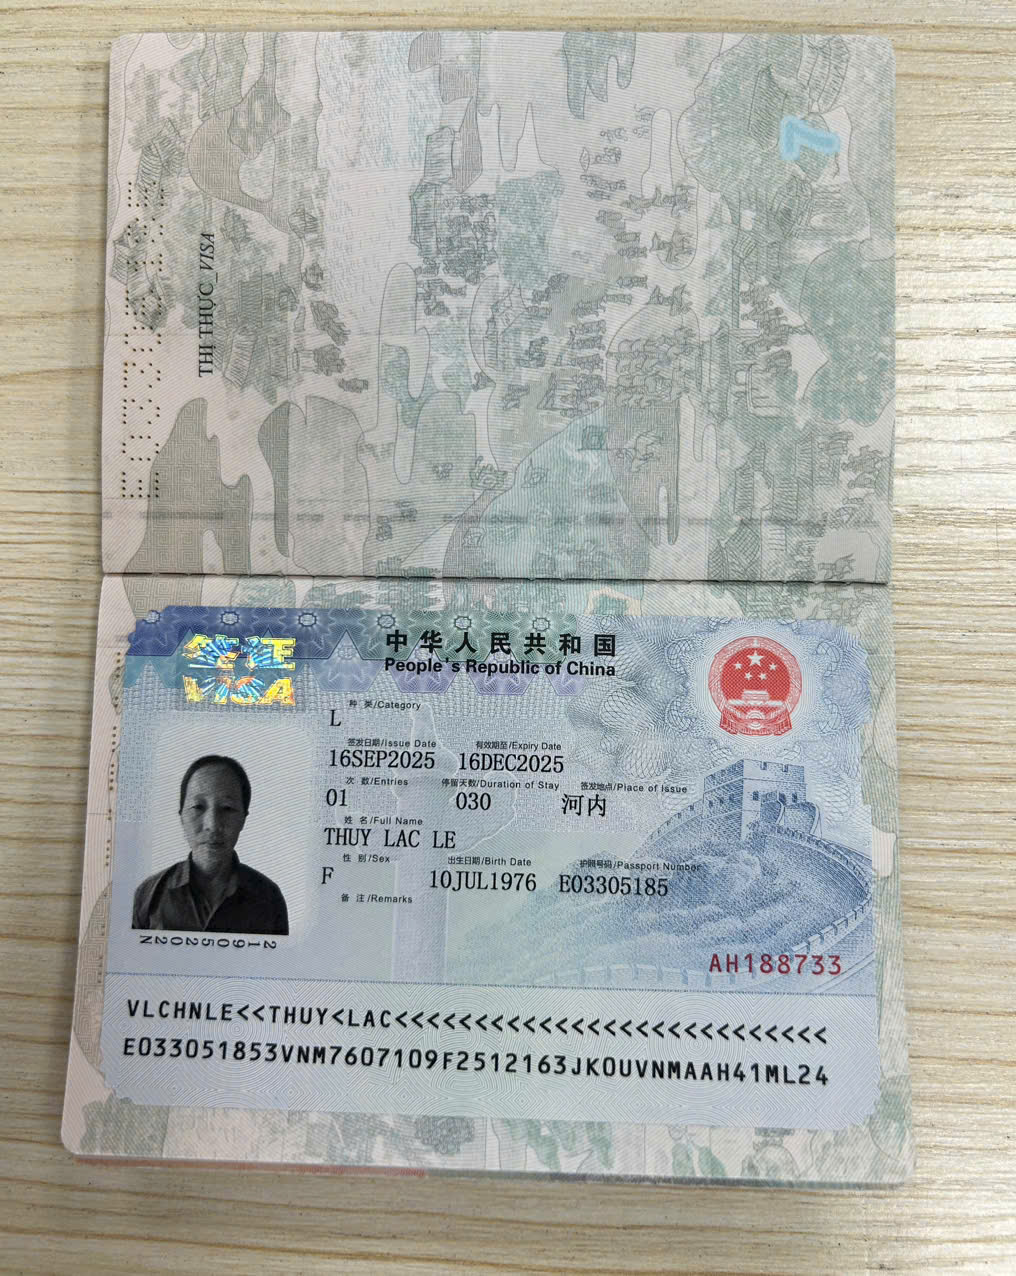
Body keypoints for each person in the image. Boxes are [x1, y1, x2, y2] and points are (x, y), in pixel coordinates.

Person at [132, 754, 288, 934]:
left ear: (243, 819)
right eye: (198, 807)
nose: (212, 825)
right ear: (181, 815)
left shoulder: (269, 898)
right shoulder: (149, 895)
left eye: (227, 808)